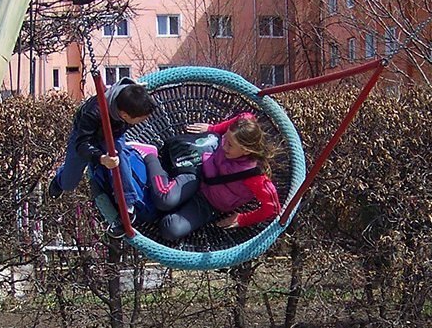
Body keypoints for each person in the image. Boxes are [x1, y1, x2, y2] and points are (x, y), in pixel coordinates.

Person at [142, 113, 281, 241]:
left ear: (246, 150)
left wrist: (242, 219)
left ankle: (163, 203)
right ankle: (150, 156)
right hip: (199, 175)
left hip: (209, 204)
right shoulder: (235, 135)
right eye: (225, 138)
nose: (224, 146)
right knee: (164, 199)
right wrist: (213, 129)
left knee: (170, 230)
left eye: (230, 145)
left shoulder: (255, 177)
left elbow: (273, 208)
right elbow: (246, 116)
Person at [48, 77, 157, 233]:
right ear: (125, 115)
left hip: (113, 133)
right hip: (86, 138)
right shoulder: (92, 112)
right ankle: (60, 179)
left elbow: (129, 85)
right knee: (69, 184)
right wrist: (101, 158)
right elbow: (82, 145)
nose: (143, 121)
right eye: (140, 120)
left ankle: (127, 206)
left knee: (120, 158)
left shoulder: (129, 93)